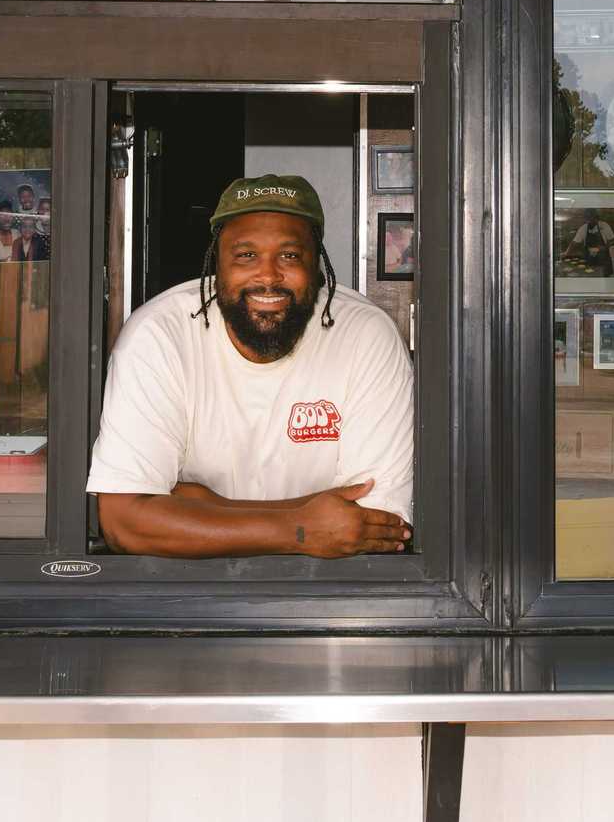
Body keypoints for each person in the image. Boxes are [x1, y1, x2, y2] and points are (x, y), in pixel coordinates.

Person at [86, 174, 415, 558]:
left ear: (317, 264)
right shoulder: (158, 335)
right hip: (185, 586)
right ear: (217, 265)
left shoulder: (366, 335)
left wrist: (200, 507)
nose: (268, 276)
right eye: (246, 255)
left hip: (329, 590)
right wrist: (301, 528)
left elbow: (377, 523)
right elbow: (124, 522)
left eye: (290, 256)